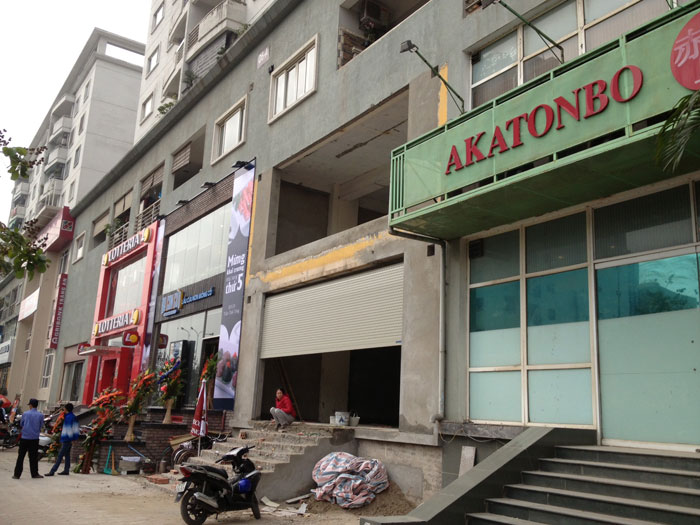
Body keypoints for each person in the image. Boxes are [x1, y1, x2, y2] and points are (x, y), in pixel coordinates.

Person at [13, 398, 45, 479]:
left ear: (30, 405)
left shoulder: (25, 414)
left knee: (21, 456)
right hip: (34, 438)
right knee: (33, 457)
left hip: (25, 437)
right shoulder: (40, 415)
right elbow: (41, 425)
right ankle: (34, 474)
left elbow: (22, 424)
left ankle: (17, 474)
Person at [46, 403, 80, 476]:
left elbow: (69, 429)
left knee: (60, 455)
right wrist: (74, 438)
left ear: (66, 409)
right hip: (70, 438)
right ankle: (66, 470)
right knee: (67, 455)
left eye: (64, 408)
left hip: (67, 438)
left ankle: (52, 471)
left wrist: (70, 438)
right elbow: (75, 428)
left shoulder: (68, 417)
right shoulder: (73, 416)